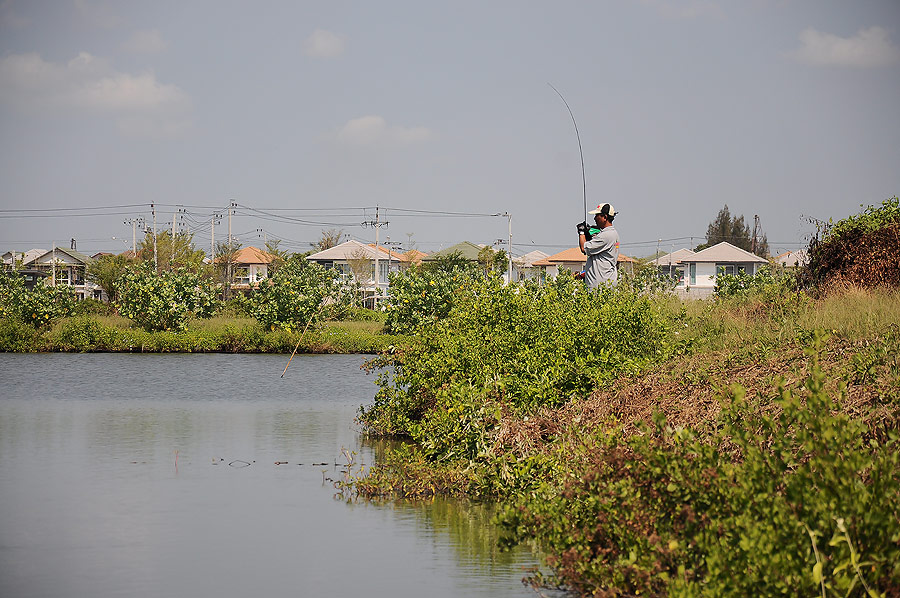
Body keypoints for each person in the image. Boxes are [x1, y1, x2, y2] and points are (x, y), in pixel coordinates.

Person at [577, 203, 619, 289]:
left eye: (597, 215)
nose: (595, 218)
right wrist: (589, 236)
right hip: (607, 283)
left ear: (605, 217)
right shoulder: (612, 233)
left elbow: (584, 248)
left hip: (599, 285)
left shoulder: (605, 235)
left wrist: (581, 232)